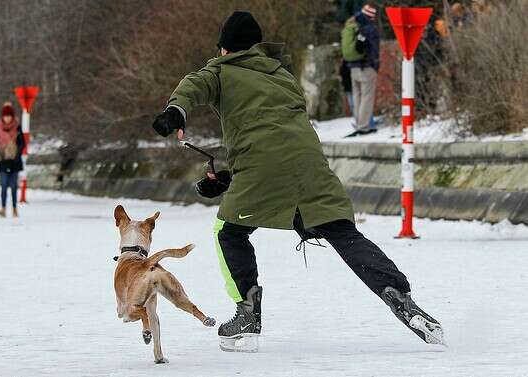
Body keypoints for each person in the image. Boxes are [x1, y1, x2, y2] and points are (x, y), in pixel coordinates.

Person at [152, 11, 444, 351]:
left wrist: (176, 112)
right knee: (340, 231)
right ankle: (397, 293)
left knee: (229, 232)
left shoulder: (220, 70)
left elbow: (193, 85)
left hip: (264, 166)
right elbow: (275, 135)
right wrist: (232, 177)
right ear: (256, 46)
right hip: (309, 162)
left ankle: (247, 315)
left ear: (224, 49)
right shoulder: (280, 74)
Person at [341, 5, 380, 137]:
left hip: (353, 68)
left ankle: (359, 124)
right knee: (366, 97)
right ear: (371, 17)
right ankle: (363, 127)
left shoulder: (352, 24)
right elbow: (373, 49)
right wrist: (375, 63)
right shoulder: (369, 28)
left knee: (357, 97)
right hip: (367, 67)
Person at [0, 102, 24, 218]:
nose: (7, 118)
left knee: (14, 187)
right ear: (2, 116)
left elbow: (22, 144)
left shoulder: (17, 126)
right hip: (3, 160)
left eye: (9, 116)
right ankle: (3, 208)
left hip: (14, 161)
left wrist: (16, 154)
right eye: (5, 116)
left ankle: (15, 208)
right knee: (4, 185)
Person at [340, 59, 376, 130]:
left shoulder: (349, 63)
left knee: (358, 104)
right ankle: (365, 124)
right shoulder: (353, 63)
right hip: (351, 87)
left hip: (350, 88)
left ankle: (364, 123)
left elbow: (342, 73)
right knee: (364, 102)